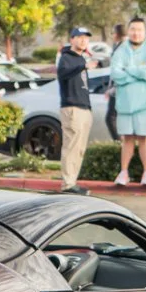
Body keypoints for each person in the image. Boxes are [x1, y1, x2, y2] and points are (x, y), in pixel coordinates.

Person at [109, 18, 146, 185]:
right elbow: (116, 73)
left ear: (144, 32)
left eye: (139, 30)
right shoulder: (120, 51)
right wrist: (136, 74)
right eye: (133, 29)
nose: (136, 33)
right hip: (124, 104)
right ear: (128, 31)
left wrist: (128, 70)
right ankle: (124, 172)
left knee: (144, 138)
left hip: (144, 104)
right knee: (127, 139)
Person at [56, 27, 94, 192]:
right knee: (71, 146)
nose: (83, 40)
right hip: (72, 107)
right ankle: (67, 183)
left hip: (84, 107)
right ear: (72, 39)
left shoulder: (80, 58)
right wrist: (83, 66)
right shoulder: (66, 57)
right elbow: (63, 74)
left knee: (79, 148)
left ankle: (73, 181)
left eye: (86, 38)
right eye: (79, 37)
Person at [104, 23, 126, 142]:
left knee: (111, 118)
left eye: (113, 33)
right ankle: (121, 144)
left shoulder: (124, 48)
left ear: (117, 34)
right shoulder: (119, 46)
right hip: (117, 89)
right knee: (113, 119)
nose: (112, 36)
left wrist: (113, 89)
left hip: (121, 90)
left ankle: (120, 144)